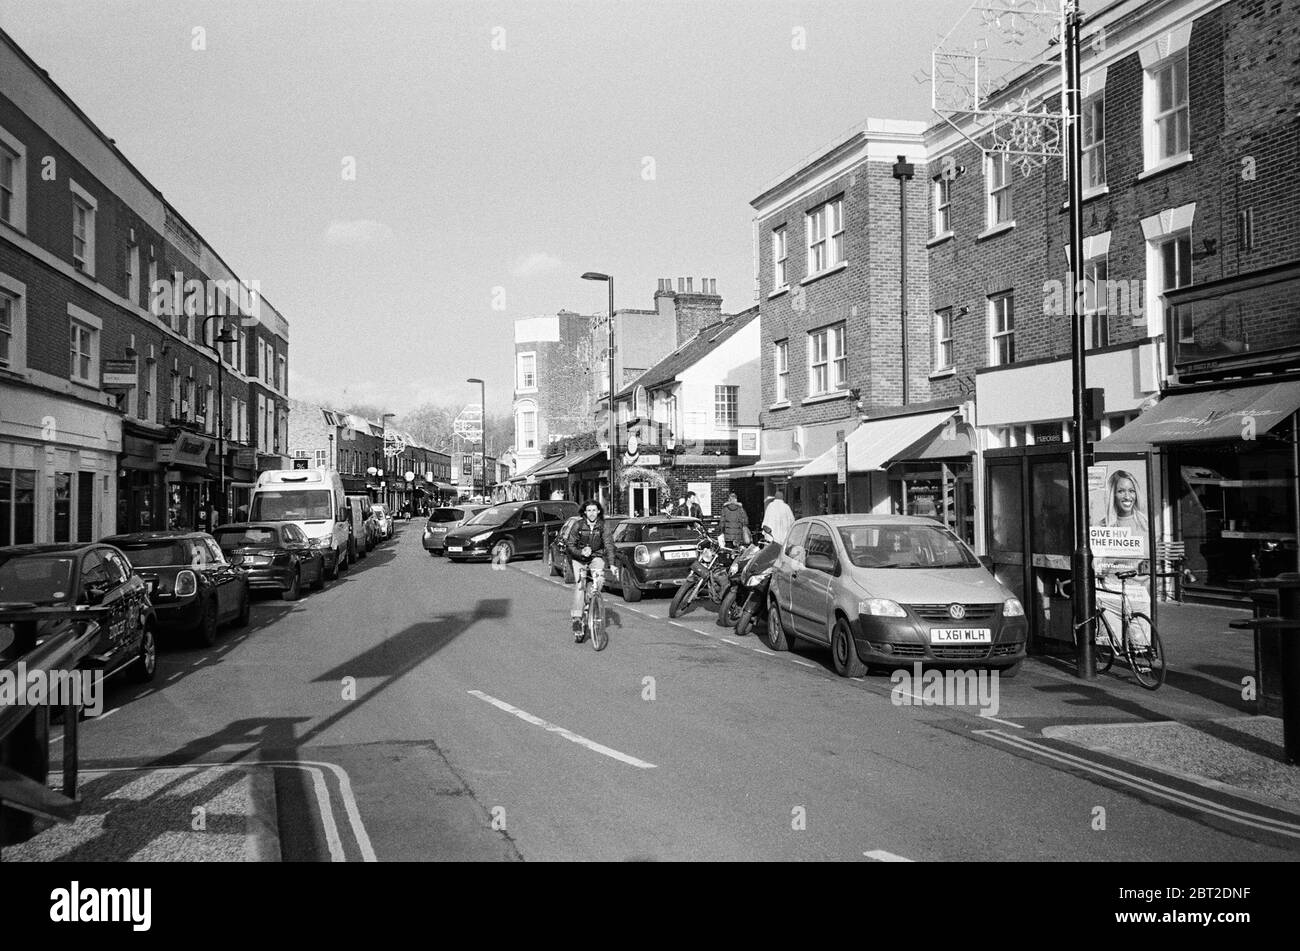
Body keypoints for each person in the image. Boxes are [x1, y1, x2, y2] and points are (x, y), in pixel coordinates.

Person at [565, 499, 609, 642]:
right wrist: (581, 552)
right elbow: (570, 545)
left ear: (598, 512)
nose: (591, 513)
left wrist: (613, 564)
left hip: (596, 557)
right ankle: (577, 619)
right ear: (585, 512)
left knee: (599, 580)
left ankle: (591, 600)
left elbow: (609, 546)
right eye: (589, 510)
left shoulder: (603, 527)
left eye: (594, 510)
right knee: (580, 586)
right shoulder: (578, 525)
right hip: (579, 559)